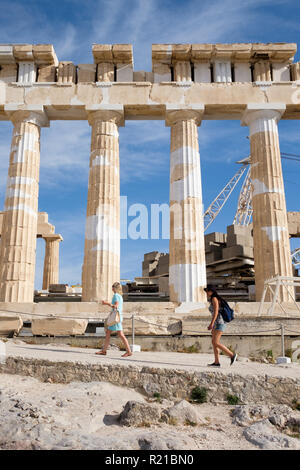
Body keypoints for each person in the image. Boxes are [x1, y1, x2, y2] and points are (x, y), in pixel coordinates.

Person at [96, 282, 132, 358]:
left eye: (112, 287)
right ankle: (104, 350)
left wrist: (106, 303)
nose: (111, 288)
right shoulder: (120, 296)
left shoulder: (116, 295)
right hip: (117, 317)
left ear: (115, 288)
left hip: (115, 318)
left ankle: (128, 351)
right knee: (108, 334)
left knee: (121, 335)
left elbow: (115, 306)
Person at [204, 285, 237, 367]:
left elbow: (215, 313)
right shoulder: (213, 299)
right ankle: (216, 362)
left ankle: (232, 355)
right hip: (217, 323)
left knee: (216, 342)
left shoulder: (215, 299)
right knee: (214, 343)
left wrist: (211, 324)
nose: (206, 293)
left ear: (211, 291)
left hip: (220, 322)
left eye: (207, 291)